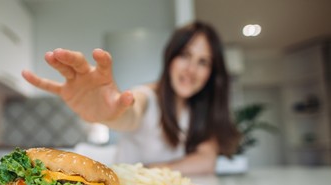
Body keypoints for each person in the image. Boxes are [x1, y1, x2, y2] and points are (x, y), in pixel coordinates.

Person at [22, 20, 240, 175]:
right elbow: (130, 112)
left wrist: (149, 171)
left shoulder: (199, 111)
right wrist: (109, 114)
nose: (191, 69)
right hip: (96, 172)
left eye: (203, 62)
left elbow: (205, 161)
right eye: (185, 55)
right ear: (170, 57)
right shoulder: (147, 95)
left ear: (212, 73)